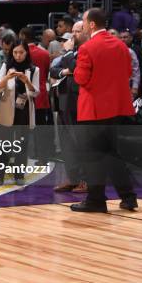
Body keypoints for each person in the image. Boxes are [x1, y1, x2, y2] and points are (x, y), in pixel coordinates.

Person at [71, 8, 137, 213]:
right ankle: (128, 197)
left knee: (92, 156)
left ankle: (96, 200)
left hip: (93, 110)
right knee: (112, 154)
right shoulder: (121, 45)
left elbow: (80, 79)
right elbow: (128, 72)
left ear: (92, 24)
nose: (81, 25)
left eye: (83, 21)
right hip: (116, 108)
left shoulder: (87, 48)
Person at [0, 40, 40, 185]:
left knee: (22, 144)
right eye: (15, 52)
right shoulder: (7, 66)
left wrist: (27, 81)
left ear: (26, 53)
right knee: (3, 145)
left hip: (24, 111)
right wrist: (7, 77)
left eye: (21, 52)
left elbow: (36, 92)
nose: (18, 55)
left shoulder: (34, 69)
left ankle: (19, 175)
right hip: (7, 110)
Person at [50, 21, 88, 193]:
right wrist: (65, 71)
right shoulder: (72, 53)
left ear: (86, 31)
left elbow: (76, 66)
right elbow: (53, 69)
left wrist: (67, 53)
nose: (73, 34)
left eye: (77, 31)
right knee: (67, 143)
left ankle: (86, 180)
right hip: (64, 101)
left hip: (80, 101)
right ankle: (72, 178)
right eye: (72, 31)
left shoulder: (86, 50)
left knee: (81, 142)